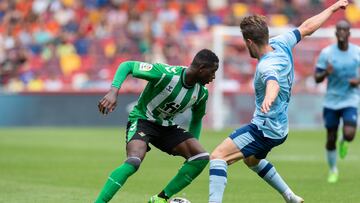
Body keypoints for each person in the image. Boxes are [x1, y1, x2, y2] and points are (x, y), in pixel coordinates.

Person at [208, 1, 349, 203]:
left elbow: (272, 82)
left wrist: (269, 97)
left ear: (249, 42)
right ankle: (290, 196)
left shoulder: (267, 66)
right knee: (252, 160)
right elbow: (306, 27)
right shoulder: (281, 42)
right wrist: (332, 8)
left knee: (218, 157)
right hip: (280, 127)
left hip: (263, 128)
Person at [95, 49, 219, 203]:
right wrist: (113, 91)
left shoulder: (201, 93)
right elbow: (127, 66)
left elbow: (196, 119)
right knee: (134, 161)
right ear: (201, 69)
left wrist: (192, 147)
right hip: (142, 120)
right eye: (212, 72)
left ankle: (159, 199)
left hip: (166, 126)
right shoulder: (166, 73)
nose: (213, 77)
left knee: (200, 157)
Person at [314, 20, 360, 183]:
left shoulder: (357, 52)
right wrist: (326, 72)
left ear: (349, 33)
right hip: (331, 101)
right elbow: (317, 78)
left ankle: (344, 141)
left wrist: (358, 80)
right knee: (330, 137)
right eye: (339, 29)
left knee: (349, 134)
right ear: (335, 33)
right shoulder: (327, 53)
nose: (341, 32)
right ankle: (333, 170)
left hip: (350, 99)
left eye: (344, 30)